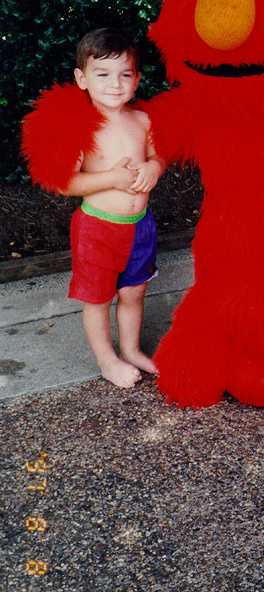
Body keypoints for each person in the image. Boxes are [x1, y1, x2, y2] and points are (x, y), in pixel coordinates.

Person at [63, 28, 165, 388]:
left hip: (140, 225)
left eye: (125, 74)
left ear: (136, 80)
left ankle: (132, 349)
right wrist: (112, 178)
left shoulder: (143, 120)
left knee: (134, 291)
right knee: (98, 297)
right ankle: (107, 359)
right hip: (98, 228)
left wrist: (154, 167)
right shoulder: (81, 127)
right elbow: (66, 182)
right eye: (102, 74)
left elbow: (158, 155)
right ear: (82, 79)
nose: (114, 84)